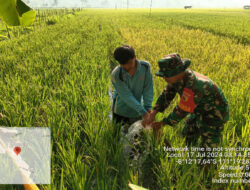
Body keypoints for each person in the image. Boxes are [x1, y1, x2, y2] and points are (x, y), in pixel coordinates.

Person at [144, 53, 229, 150]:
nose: (164, 78)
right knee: (188, 135)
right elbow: (167, 94)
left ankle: (207, 163)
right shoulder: (177, 78)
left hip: (214, 114)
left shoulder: (195, 85)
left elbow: (182, 111)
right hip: (198, 110)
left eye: (166, 75)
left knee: (208, 146)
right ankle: (188, 157)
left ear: (177, 72)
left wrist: (163, 123)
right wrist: (154, 112)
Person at [111, 45, 154, 135]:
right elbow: (127, 96)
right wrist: (143, 112)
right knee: (116, 135)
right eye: (123, 64)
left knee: (136, 136)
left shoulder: (145, 67)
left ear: (135, 57)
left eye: (129, 63)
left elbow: (148, 88)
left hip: (136, 110)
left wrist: (148, 108)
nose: (126, 67)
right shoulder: (116, 74)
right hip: (120, 109)